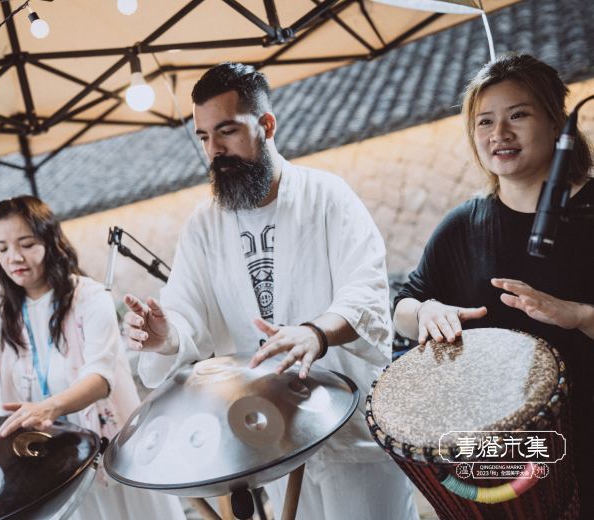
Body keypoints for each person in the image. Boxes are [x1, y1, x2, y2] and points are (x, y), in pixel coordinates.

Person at [123, 63, 418, 520]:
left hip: (350, 428)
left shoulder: (327, 196)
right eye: (204, 137)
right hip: (271, 435)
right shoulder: (203, 226)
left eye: (227, 131)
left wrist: (316, 333)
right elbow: (185, 312)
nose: (215, 150)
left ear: (267, 125)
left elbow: (366, 292)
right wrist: (167, 336)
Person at [0, 196, 186, 520]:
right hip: (48, 466)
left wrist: (49, 407)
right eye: (2, 249)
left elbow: (100, 379)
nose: (13, 257)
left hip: (111, 455)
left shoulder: (90, 298)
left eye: (26, 244)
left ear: (51, 242)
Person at [393, 53, 594, 515]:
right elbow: (403, 306)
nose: (498, 133)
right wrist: (425, 312)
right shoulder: (462, 225)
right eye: (484, 121)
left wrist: (579, 315)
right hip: (500, 456)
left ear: (558, 123)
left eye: (517, 115)